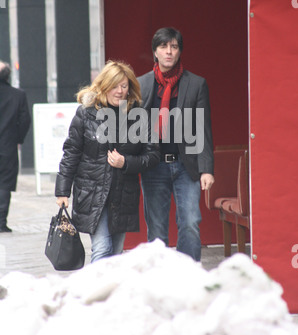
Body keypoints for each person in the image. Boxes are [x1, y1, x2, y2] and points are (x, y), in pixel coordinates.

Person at [55, 61, 160, 262]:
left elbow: (153, 155)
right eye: (114, 85)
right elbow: (71, 152)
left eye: (124, 86)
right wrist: (62, 190)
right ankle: (97, 292)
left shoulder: (138, 115)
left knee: (116, 253)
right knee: (103, 248)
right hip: (92, 192)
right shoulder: (86, 113)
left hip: (122, 195)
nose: (119, 91)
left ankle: (109, 292)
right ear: (104, 85)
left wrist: (126, 162)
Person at [138, 27, 215, 262]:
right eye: (163, 46)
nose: (169, 51)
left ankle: (189, 276)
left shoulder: (196, 84)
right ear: (155, 52)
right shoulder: (141, 84)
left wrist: (207, 169)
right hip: (154, 166)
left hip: (186, 165)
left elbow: (203, 130)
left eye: (174, 46)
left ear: (180, 51)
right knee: (157, 230)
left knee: (190, 222)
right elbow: (131, 129)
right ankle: (159, 280)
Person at [0, 61, 31, 233]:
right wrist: (17, 139)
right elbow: (25, 120)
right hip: (7, 146)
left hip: (8, 144)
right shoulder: (18, 95)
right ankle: (1, 222)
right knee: (4, 184)